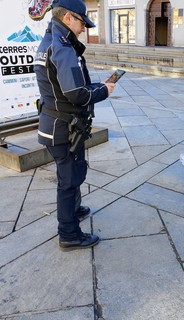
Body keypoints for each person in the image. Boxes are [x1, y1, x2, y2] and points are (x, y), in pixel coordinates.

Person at [34, 0, 116, 251]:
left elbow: (63, 88)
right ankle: (69, 233)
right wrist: (104, 90)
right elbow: (76, 94)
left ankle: (74, 210)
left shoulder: (49, 42)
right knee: (68, 181)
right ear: (68, 18)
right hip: (63, 129)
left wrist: (96, 86)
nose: (84, 28)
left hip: (56, 124)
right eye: (82, 22)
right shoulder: (62, 47)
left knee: (73, 173)